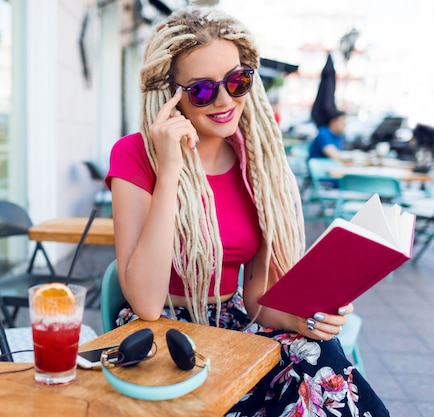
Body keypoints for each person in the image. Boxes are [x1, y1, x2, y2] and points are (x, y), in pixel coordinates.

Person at [105, 7, 390, 417]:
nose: (224, 101)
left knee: (321, 357)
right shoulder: (135, 154)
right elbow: (147, 302)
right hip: (159, 334)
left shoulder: (256, 160)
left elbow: (256, 300)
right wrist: (169, 173)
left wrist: (306, 320)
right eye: (202, 90)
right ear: (170, 94)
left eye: (237, 82)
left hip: (236, 321)